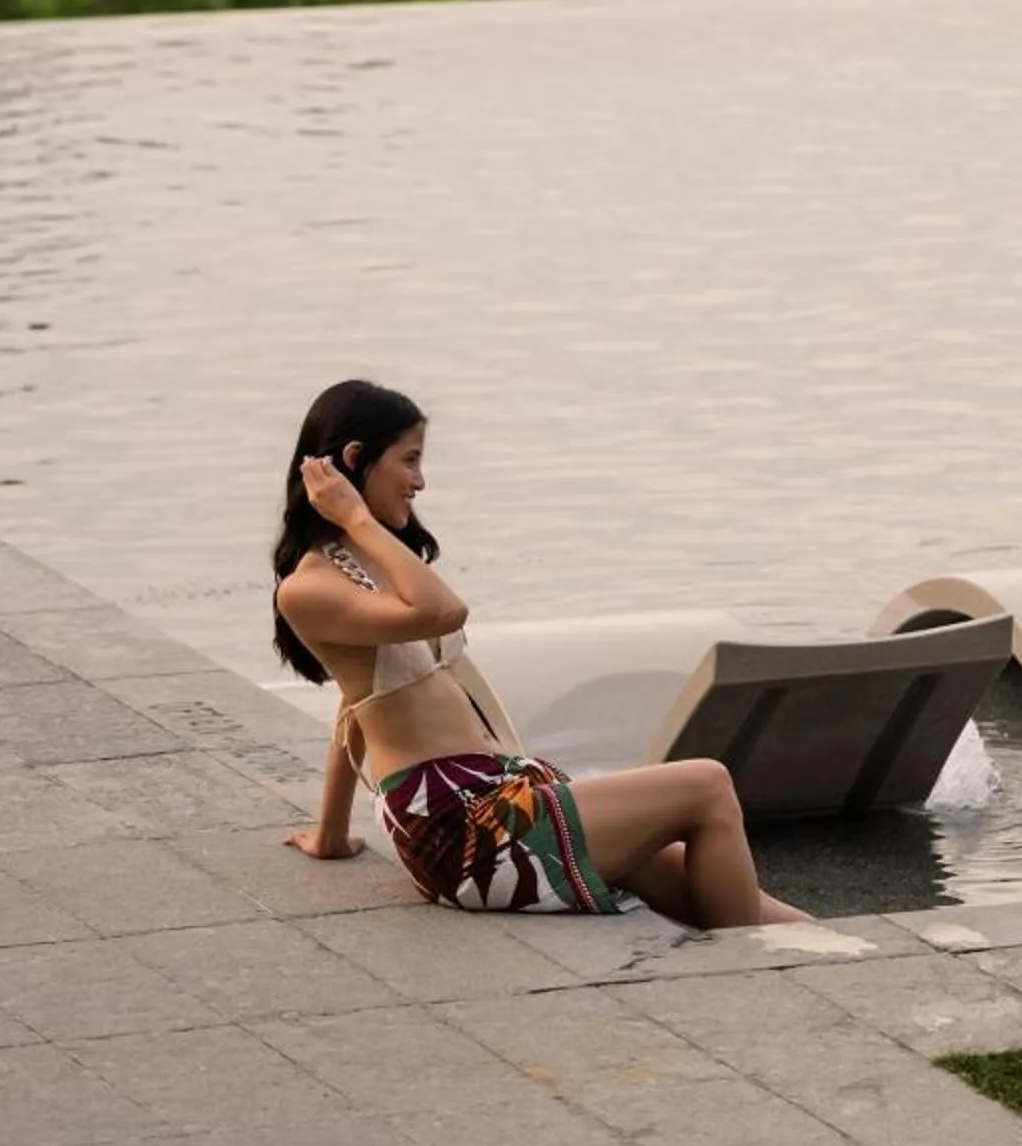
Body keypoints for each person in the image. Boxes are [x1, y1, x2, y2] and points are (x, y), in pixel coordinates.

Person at [271, 379, 804, 926]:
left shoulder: (376, 565)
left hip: (505, 797)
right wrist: (355, 516)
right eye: (409, 461)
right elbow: (444, 614)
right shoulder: (308, 589)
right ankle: (754, 975)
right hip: (465, 833)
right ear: (356, 458)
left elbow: (355, 702)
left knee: (756, 906)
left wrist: (331, 834)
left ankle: (835, 961)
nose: (420, 481)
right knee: (707, 785)